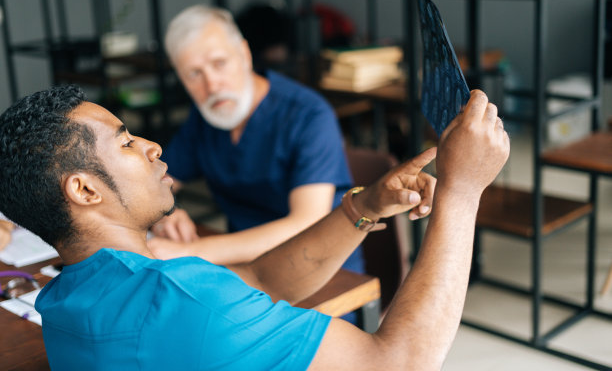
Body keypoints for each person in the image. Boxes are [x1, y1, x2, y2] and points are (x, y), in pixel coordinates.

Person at [0, 85, 509, 370]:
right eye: (128, 142)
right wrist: (462, 192)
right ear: (85, 190)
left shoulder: (65, 299)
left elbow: (264, 277)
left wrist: (363, 206)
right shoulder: (187, 303)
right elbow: (400, 363)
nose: (153, 146)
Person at [148, 5, 361, 272]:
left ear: (245, 54)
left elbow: (306, 223)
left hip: (320, 270)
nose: (212, 85)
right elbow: (156, 181)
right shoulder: (208, 117)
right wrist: (165, 211)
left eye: (219, 63)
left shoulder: (308, 115)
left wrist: (192, 251)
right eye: (194, 74)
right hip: (243, 267)